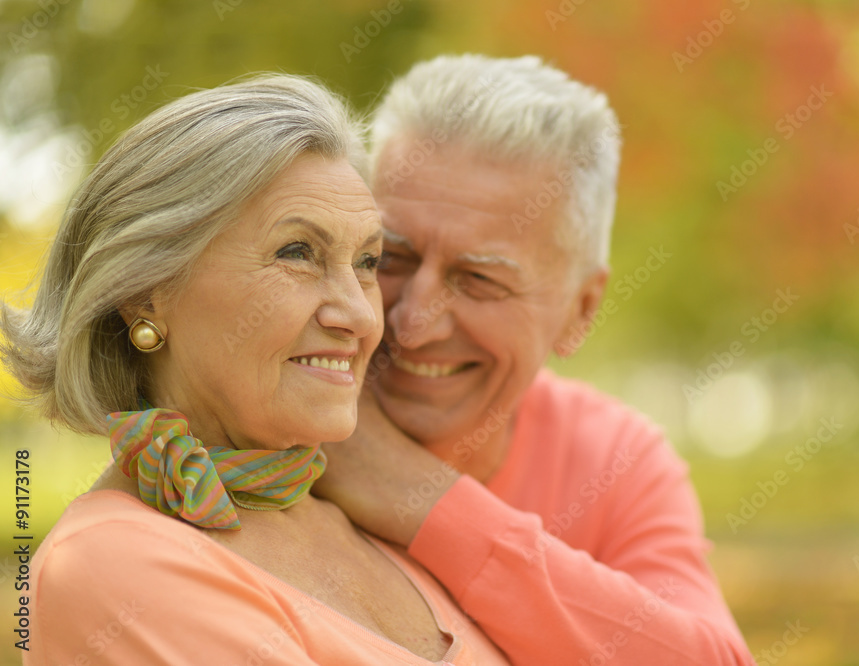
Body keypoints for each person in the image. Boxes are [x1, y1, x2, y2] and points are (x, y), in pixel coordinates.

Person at [2, 74, 508, 665]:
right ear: (145, 293)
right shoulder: (106, 562)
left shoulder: (378, 516)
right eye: (297, 252)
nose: (358, 315)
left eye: (367, 262)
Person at [314, 54, 756, 665]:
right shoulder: (277, 421)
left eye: (479, 279)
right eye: (390, 257)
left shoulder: (615, 459)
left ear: (580, 310)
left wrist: (413, 494)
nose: (413, 324)